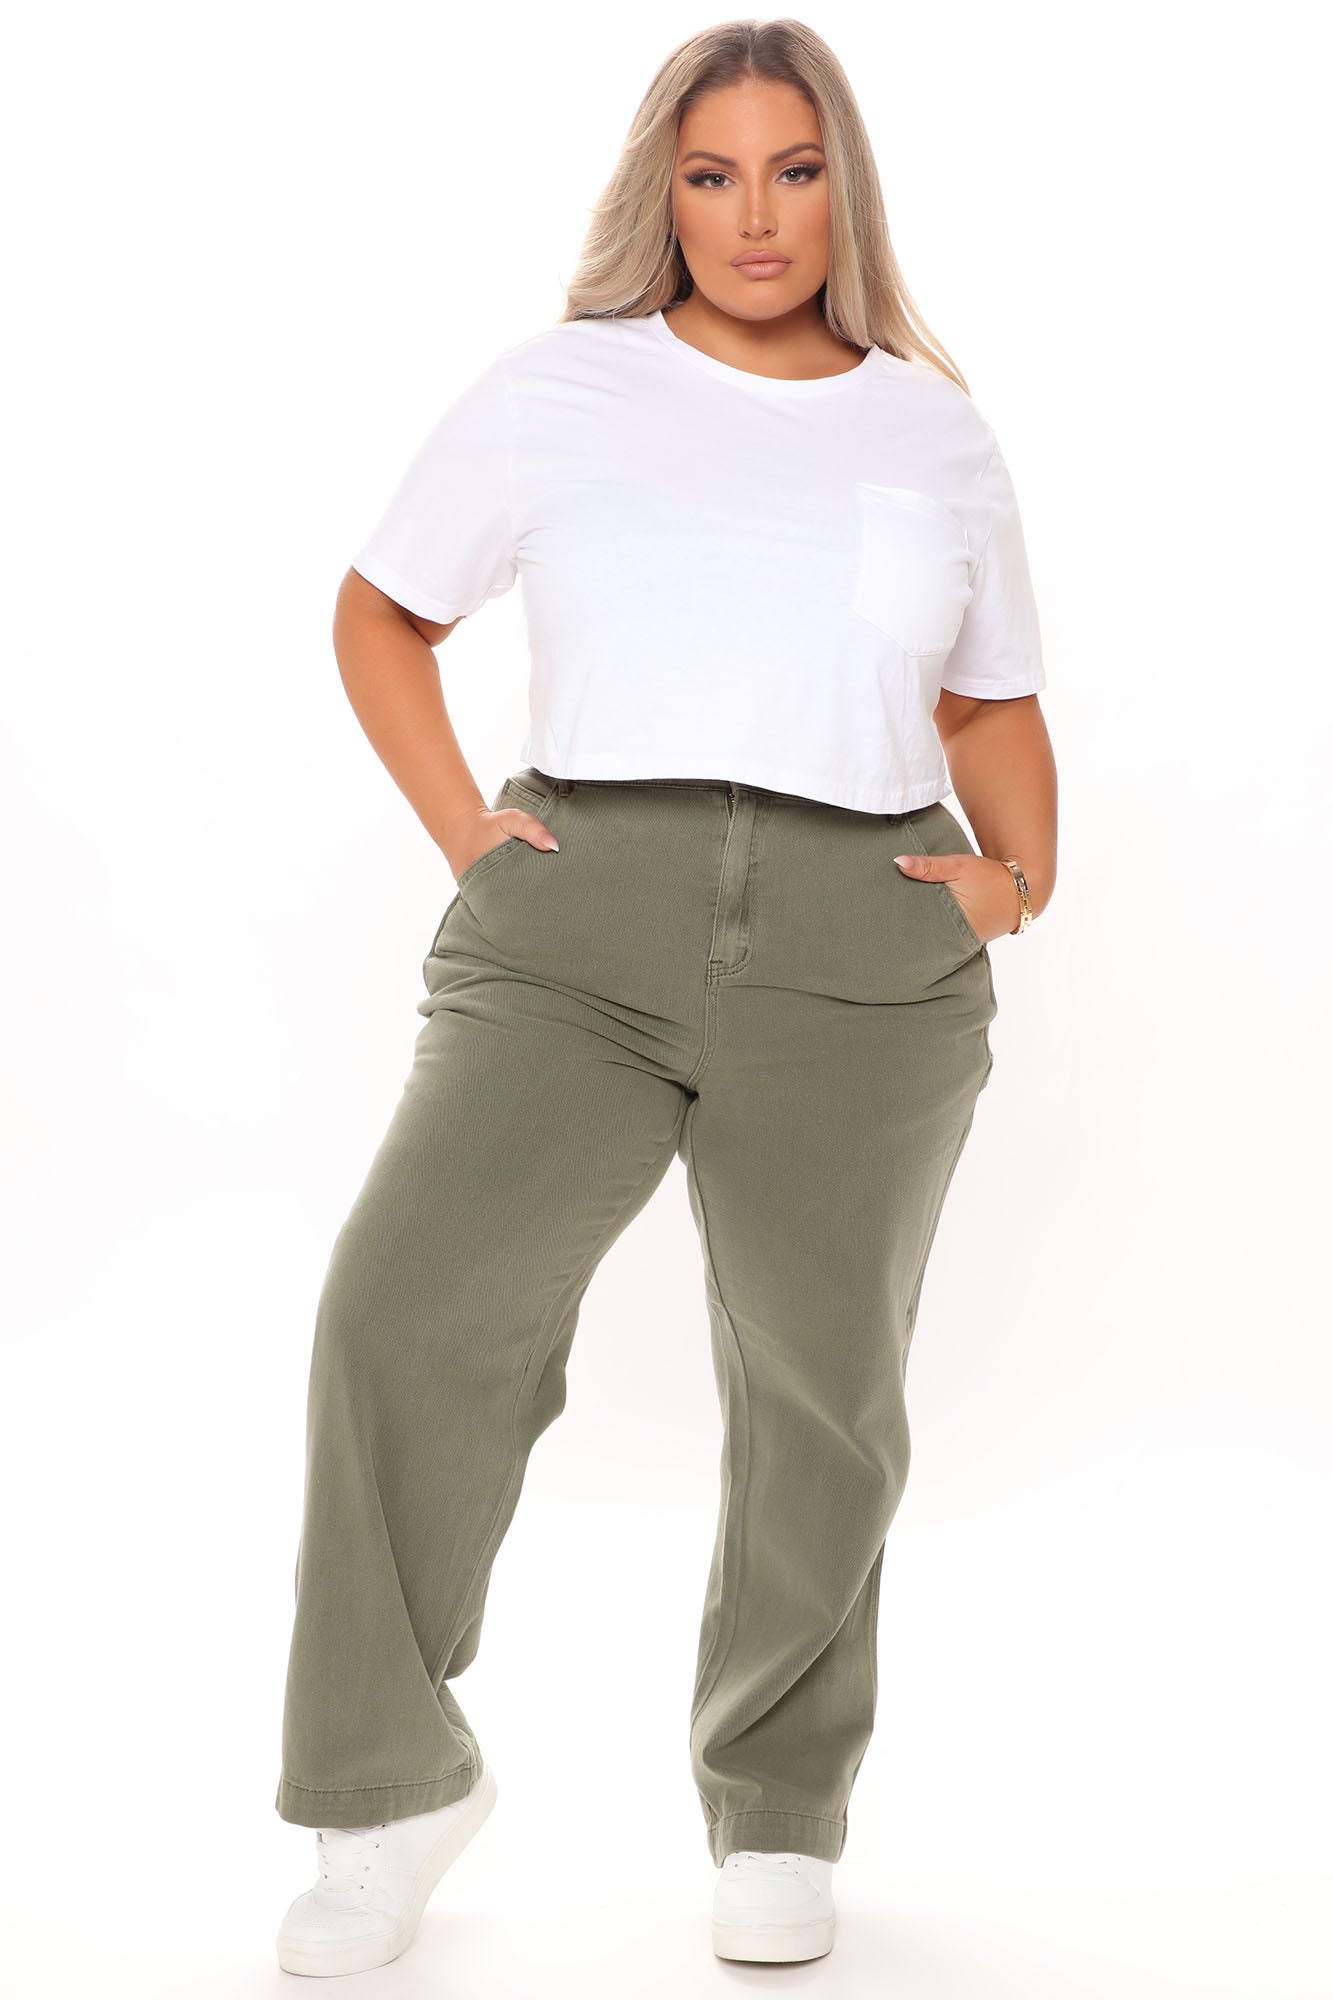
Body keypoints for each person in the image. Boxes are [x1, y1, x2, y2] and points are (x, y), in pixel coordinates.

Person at [273, 18, 1057, 1978]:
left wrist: (1017, 880)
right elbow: (382, 608)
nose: (755, 216)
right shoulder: (561, 386)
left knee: (820, 1391)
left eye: (793, 171)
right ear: (664, 193)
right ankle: (384, 1786)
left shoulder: (930, 430)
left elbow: (986, 699)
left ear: (843, 190)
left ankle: (777, 1806)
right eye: (712, 175)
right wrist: (465, 829)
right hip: (575, 917)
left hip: (863, 935)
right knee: (404, 1308)